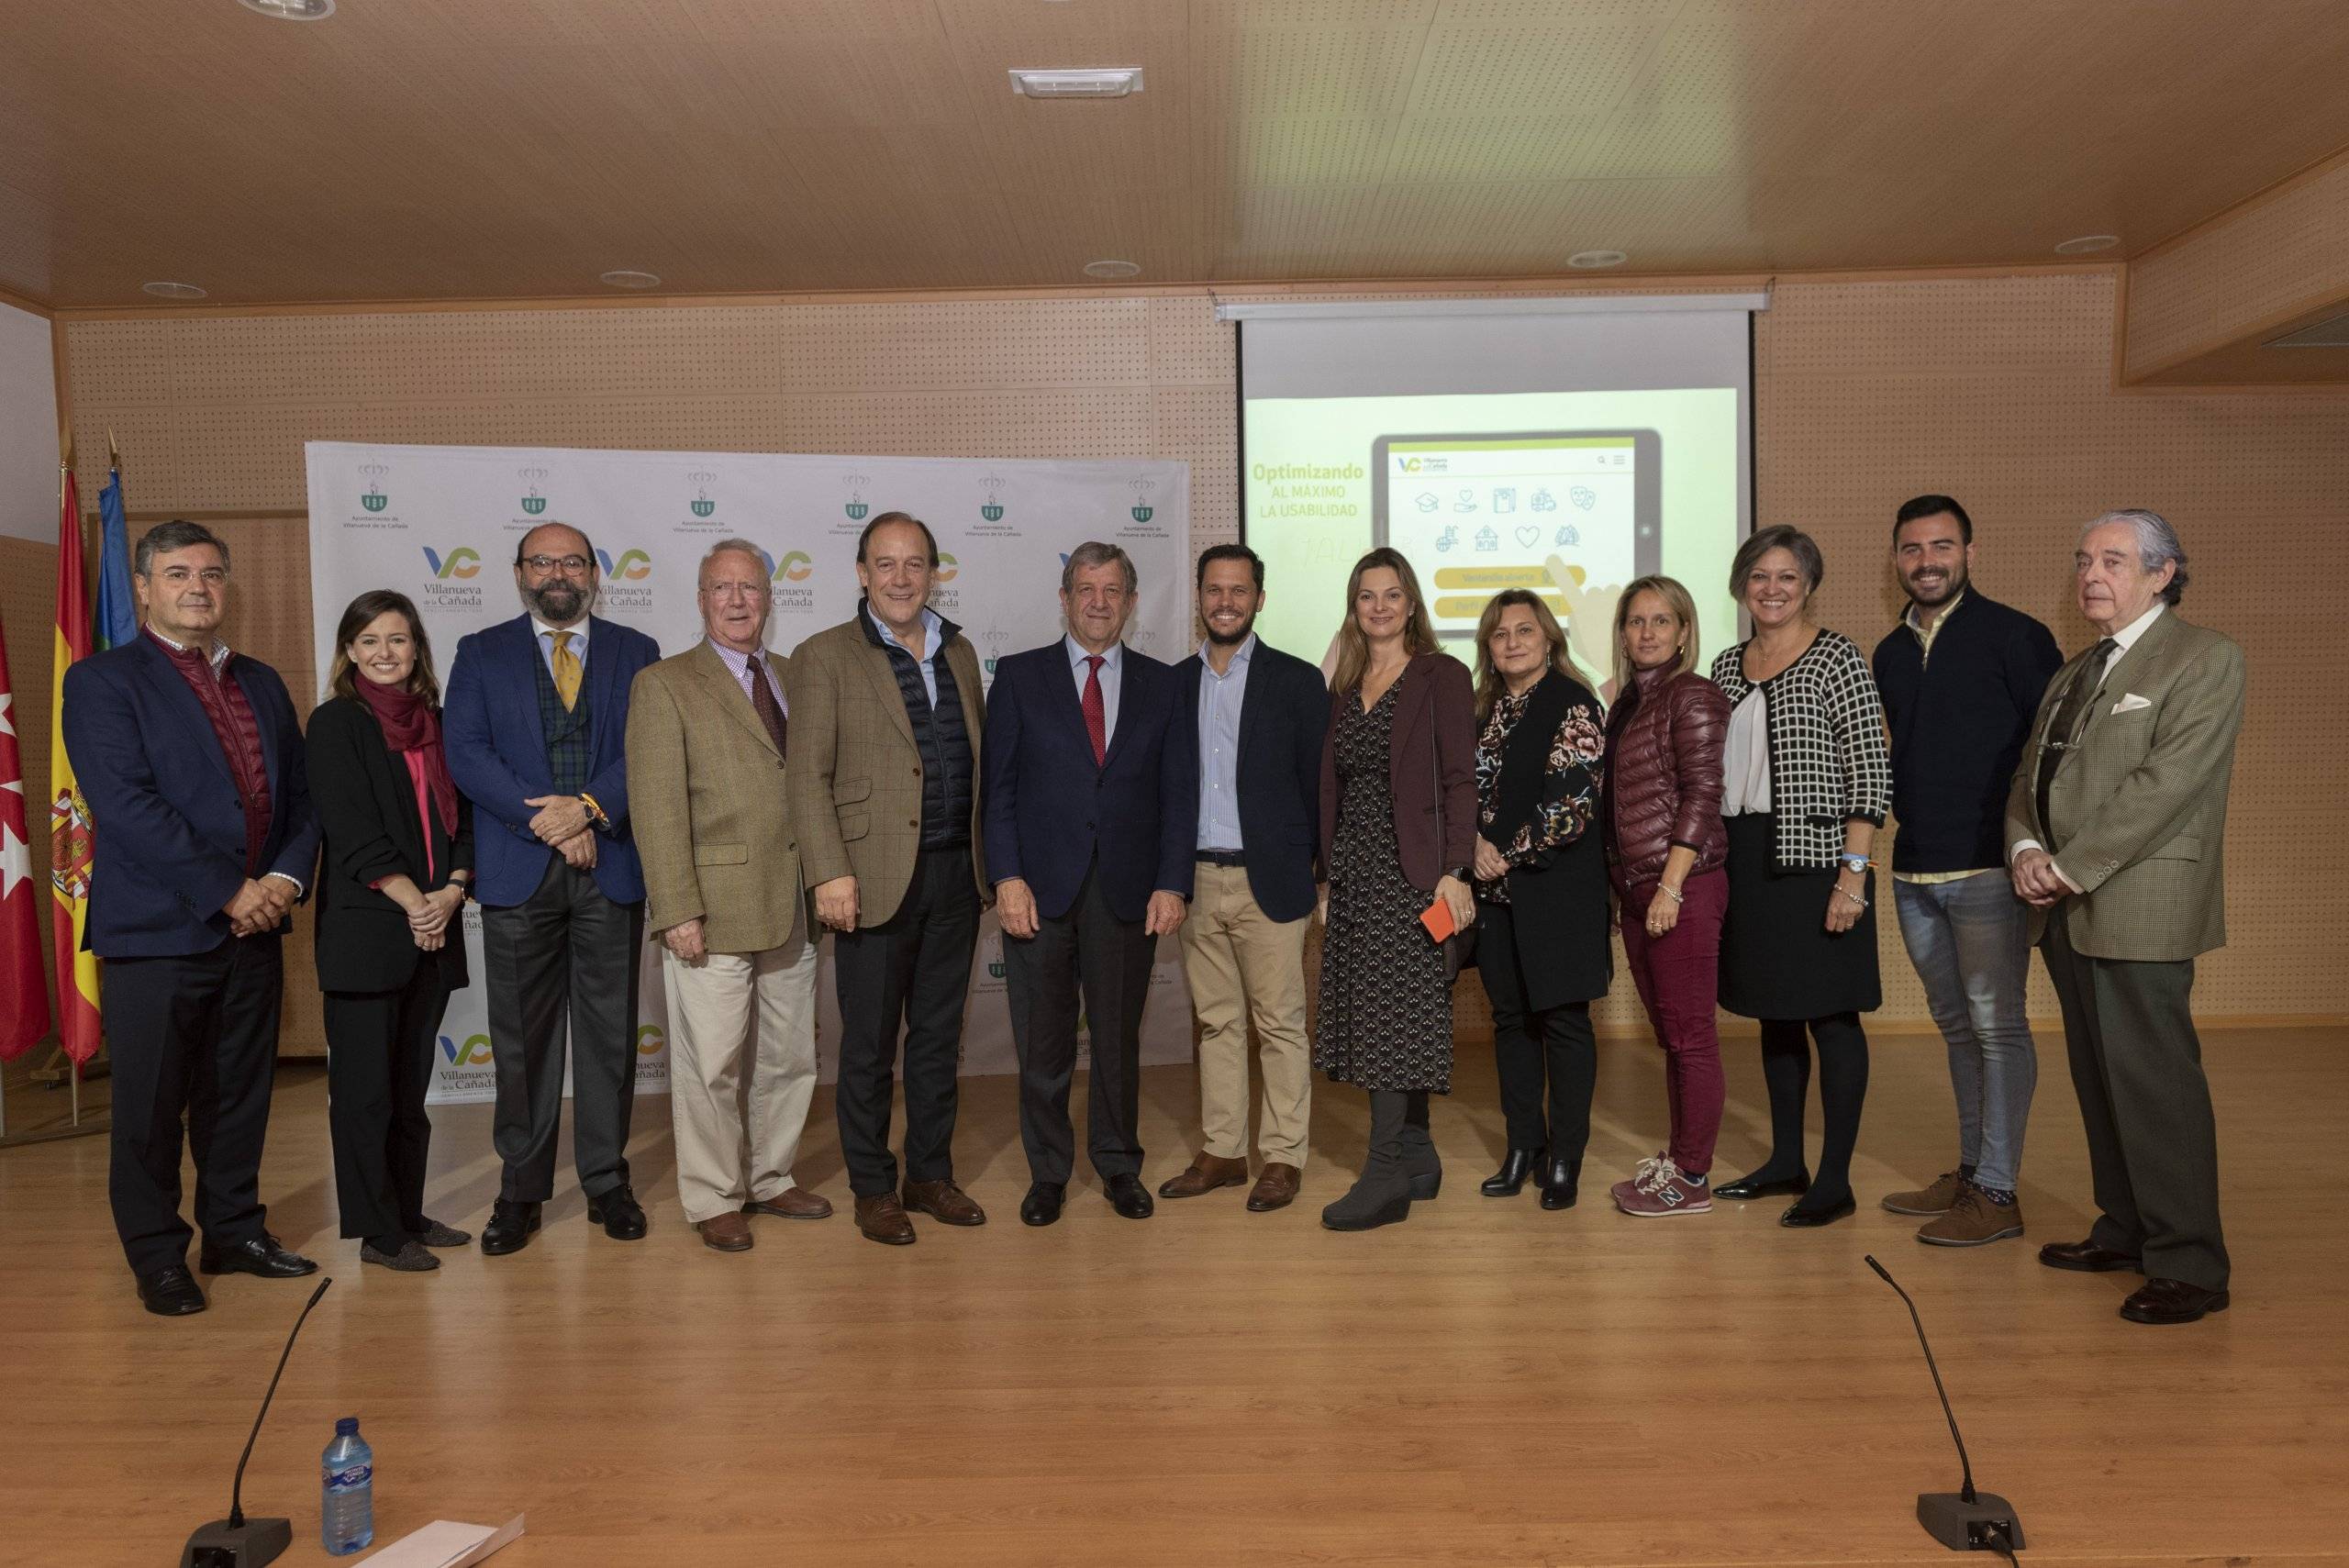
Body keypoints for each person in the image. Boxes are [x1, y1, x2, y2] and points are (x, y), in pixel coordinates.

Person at [61, 520, 321, 1317]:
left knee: (237, 1094)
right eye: (178, 574)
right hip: (159, 930)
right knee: (149, 1106)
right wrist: (227, 890)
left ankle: (235, 1231)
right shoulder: (104, 681)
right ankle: (156, 1254)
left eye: (210, 573)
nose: (197, 587)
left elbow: (303, 799)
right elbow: (127, 806)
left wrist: (279, 879)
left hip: (256, 924)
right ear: (144, 588)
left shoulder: (264, 681)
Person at [2009, 509, 2243, 1326]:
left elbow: (2165, 786)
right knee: (2100, 1078)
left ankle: (2190, 1264)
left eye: (2111, 559)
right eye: (2082, 560)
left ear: (2163, 572)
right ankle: (2128, 1228)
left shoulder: (2205, 658)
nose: (2090, 574)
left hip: (2138, 902)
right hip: (2066, 904)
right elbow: (2029, 776)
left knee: (2155, 1083)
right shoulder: (2077, 668)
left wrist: (2068, 867)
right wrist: (2026, 848)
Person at [444, 521, 660, 1254]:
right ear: (518, 573)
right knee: (522, 1045)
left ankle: (607, 1180)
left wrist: (588, 809)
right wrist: (552, 824)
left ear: (595, 571)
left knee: (607, 1039)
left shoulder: (637, 651)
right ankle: (521, 1190)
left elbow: (649, 749)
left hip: (613, 868)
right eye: (543, 561)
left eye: (572, 560)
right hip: (517, 871)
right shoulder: (480, 653)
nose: (557, 572)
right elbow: (467, 754)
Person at [785, 512, 990, 1246]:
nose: (901, 578)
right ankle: (872, 1186)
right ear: (862, 573)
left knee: (938, 1039)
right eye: (886, 564)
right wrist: (829, 870)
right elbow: (806, 775)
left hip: (956, 878)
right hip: (868, 881)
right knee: (869, 1045)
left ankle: (928, 1173)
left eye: (915, 564)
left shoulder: (959, 651)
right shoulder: (823, 655)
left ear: (933, 573)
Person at [983, 541, 1197, 1227]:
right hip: (1038, 892)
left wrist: (1172, 881)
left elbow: (1177, 794)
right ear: (1065, 597)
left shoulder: (1165, 685)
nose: (1098, 601)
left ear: (1132, 603)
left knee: (1115, 1042)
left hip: (1128, 891)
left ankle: (1117, 1164)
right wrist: (1006, 878)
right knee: (1042, 1043)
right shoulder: (1017, 677)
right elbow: (999, 793)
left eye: (1111, 589)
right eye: (1085, 588)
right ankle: (1048, 1173)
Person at [627, 539, 829, 1253]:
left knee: (787, 1058)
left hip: (793, 902)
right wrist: (677, 908)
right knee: (711, 1064)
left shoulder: (796, 674)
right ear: (702, 599)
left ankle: (770, 1177)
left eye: (750, 587)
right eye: (723, 587)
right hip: (711, 907)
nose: (738, 600)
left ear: (770, 598)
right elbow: (655, 808)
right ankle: (714, 1193)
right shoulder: (665, 683)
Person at [1873, 495, 2064, 1246]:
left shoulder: (2017, 636)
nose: (1928, 561)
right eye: (1914, 549)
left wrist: (2033, 849)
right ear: (1896, 560)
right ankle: (1973, 1171)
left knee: (1997, 1027)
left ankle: (1998, 1191)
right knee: (1957, 1029)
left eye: (1942, 546)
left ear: (1970, 553)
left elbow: (2051, 757)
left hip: (1990, 868)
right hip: (1914, 868)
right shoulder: (1889, 652)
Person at [1709, 526, 1891, 1229]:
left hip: (1819, 863)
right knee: (1774, 1014)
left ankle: (1836, 1178)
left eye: (1787, 576)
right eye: (1759, 576)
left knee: (1832, 1016)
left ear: (1808, 584)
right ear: (1740, 585)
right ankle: (1787, 1159)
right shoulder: (1727, 667)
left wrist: (1854, 872)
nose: (1772, 589)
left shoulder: (1837, 657)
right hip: (1748, 858)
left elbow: (1870, 768)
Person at [305, 591, 475, 1273]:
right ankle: (377, 1231)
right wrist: (417, 903)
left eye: (398, 640)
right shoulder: (335, 724)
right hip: (369, 937)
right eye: (369, 640)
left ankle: (407, 1211)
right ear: (349, 650)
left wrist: (453, 891)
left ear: (417, 649)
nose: (384, 652)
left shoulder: (436, 722)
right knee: (365, 1093)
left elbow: (464, 821)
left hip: (435, 927)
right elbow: (352, 831)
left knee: (411, 1094)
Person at [1313, 548, 1476, 1232]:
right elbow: (1333, 785)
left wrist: (1455, 869)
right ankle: (1417, 1153)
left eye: (1391, 594)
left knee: (1390, 1022)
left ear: (1412, 603)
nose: (1378, 606)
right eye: (1365, 596)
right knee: (1383, 1013)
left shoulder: (1441, 674)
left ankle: (1383, 1178)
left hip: (1414, 875)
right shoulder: (1346, 686)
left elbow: (1461, 779)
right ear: (1353, 608)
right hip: (1355, 871)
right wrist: (1325, 875)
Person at [1162, 544, 1327, 1213]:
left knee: (1281, 1023)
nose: (1225, 601)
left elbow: (1320, 788)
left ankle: (1284, 1154)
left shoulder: (1296, 680)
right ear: (1198, 596)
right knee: (1217, 1024)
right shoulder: (1171, 684)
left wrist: (1321, 878)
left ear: (1260, 598)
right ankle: (1225, 1149)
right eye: (1214, 589)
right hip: (1198, 879)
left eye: (1239, 590)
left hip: (1274, 880)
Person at [1467, 590, 1609, 1211]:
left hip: (1557, 892)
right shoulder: (1484, 710)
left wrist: (1503, 850)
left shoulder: (1575, 703)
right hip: (1495, 896)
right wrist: (1473, 842)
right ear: (1489, 650)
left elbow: (1571, 806)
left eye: (1526, 630)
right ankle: (1523, 1146)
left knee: (1563, 1023)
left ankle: (1564, 1158)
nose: (1513, 642)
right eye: (1500, 635)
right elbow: (1460, 792)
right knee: (1510, 1022)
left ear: (1549, 638)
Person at [1601, 574, 1731, 1218]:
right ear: (1622, 633)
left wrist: (1672, 887)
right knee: (1673, 1036)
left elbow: (1703, 793)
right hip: (1639, 889)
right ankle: (1680, 1158)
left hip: (1681, 886)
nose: (1647, 632)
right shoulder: (1630, 701)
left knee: (1692, 1035)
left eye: (1661, 621)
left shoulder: (1694, 694)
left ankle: (1693, 1176)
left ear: (1684, 630)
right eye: (1636, 621)